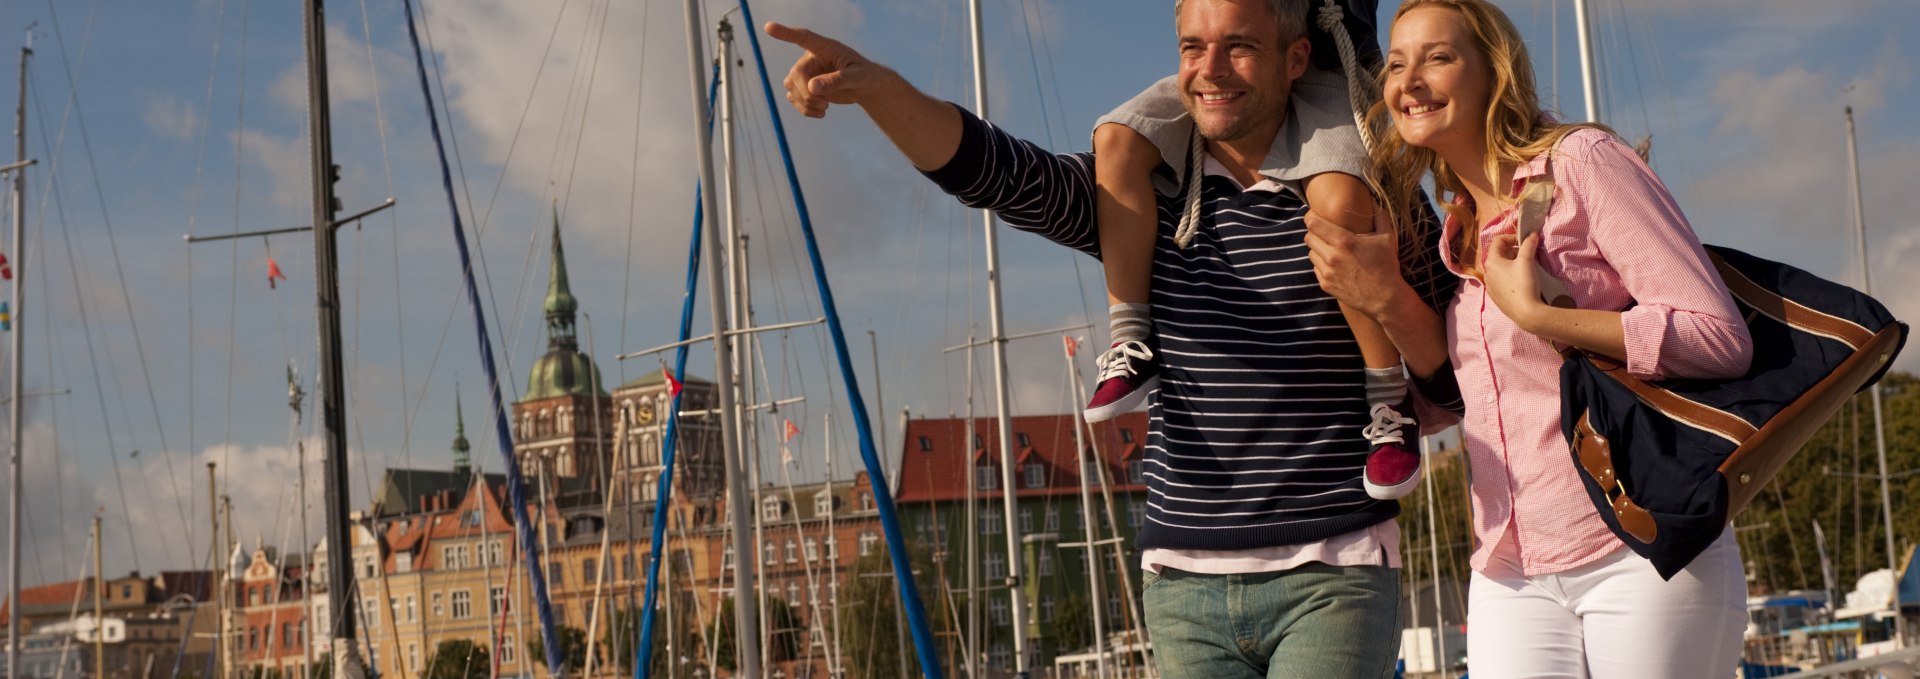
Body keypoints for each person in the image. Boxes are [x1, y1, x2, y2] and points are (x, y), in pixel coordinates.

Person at [766, 0, 1456, 675]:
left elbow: (1454, 386)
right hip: (1183, 589)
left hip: (1331, 572)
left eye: (1238, 45)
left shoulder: (1371, 197)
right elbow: (996, 171)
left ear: (1296, 56)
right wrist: (880, 87)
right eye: (1192, 47)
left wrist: (1387, 298)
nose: (1210, 69)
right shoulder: (1143, 196)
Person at [1304, 0, 1754, 676]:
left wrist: (1542, 316)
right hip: (1508, 562)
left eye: (1438, 56)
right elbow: (1464, 404)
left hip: (1639, 543)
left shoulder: (1583, 162)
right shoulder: (1452, 230)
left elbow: (1718, 337)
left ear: (1494, 71)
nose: (1409, 79)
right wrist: (1381, 308)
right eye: (1396, 63)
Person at [1086, 4, 1426, 501]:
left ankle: (1389, 400)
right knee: (1114, 138)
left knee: (1340, 201)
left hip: (1323, 66)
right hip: (1237, 53)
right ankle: (1129, 341)